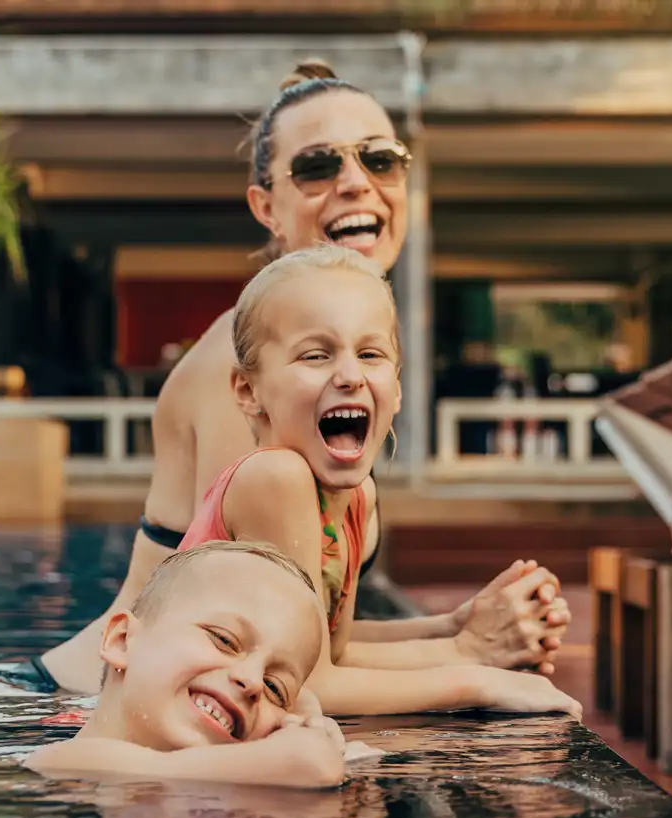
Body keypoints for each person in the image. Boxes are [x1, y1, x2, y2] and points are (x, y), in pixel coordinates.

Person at [29, 60, 570, 696]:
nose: (355, 183)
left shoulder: (328, 387)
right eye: (318, 166)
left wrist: (456, 636)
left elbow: (309, 633)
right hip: (72, 704)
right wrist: (472, 676)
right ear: (267, 205)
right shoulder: (246, 371)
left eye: (381, 160)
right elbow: (273, 666)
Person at [179, 244, 582, 719]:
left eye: (370, 354)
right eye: (315, 355)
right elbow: (303, 686)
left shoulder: (354, 497)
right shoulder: (274, 477)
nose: (350, 375)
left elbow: (333, 652)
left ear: (397, 386)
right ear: (248, 390)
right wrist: (478, 680)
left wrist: (454, 633)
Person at [25, 540, 361, 789]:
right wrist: (306, 745)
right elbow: (311, 763)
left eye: (275, 687)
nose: (253, 682)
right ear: (122, 640)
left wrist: (309, 728)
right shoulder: (64, 763)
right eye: (224, 640)